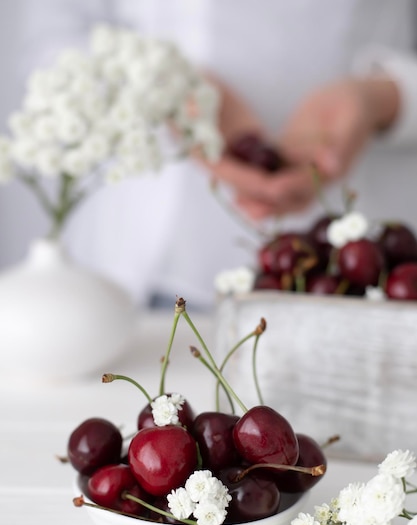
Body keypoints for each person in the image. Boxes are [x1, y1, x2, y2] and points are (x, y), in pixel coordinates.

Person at [2, 0, 417, 310]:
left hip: (354, 273)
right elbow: (49, 40)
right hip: (144, 268)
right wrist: (164, 83)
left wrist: (388, 97)